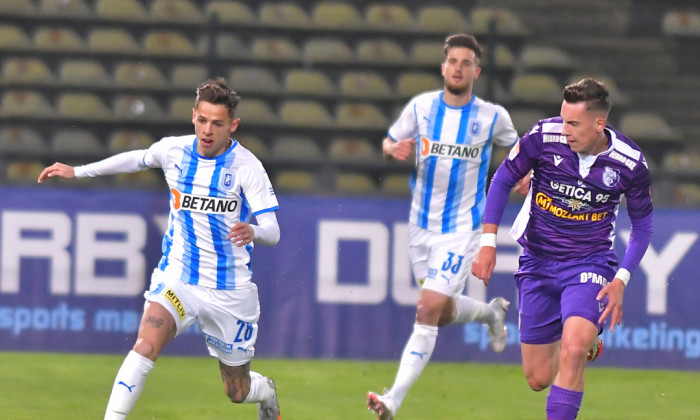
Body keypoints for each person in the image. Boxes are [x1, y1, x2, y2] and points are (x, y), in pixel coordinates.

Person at [37, 79, 282, 420]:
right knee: (145, 345)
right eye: (202, 120)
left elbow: (273, 231)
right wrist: (77, 171)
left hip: (229, 290)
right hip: (178, 276)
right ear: (194, 116)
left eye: (218, 123)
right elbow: (136, 159)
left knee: (236, 391)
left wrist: (253, 230)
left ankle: (266, 391)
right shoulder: (174, 152)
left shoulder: (246, 166)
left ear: (233, 126)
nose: (208, 130)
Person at [471, 78, 654, 419]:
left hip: (590, 262)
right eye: (563, 119)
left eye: (574, 123)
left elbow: (643, 225)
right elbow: (502, 179)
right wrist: (487, 244)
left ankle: (580, 342)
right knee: (538, 378)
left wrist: (622, 279)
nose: (565, 130)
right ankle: (586, 343)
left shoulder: (629, 163)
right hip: (538, 261)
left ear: (599, 123)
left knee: (571, 350)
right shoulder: (544, 136)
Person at [367, 33, 519, 419]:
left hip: (462, 228)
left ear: (476, 71)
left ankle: (392, 400)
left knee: (427, 308)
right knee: (443, 311)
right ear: (443, 67)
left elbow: (519, 151)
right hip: (420, 227)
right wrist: (392, 149)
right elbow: (388, 141)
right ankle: (490, 314)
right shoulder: (420, 108)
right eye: (453, 61)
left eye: (466, 62)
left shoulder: (492, 117)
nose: (458, 68)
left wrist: (524, 174)